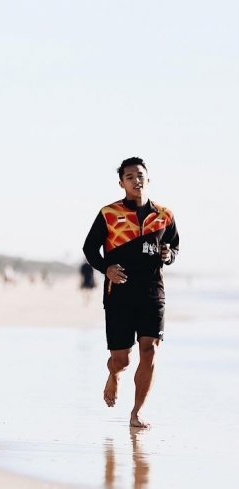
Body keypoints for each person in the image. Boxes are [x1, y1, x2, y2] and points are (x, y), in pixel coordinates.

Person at [83, 157, 179, 428]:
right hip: (120, 294)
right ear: (121, 183)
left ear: (148, 178)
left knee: (149, 350)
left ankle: (136, 412)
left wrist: (169, 255)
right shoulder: (109, 214)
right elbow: (90, 249)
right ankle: (114, 374)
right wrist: (106, 268)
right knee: (121, 359)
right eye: (130, 177)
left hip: (152, 293)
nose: (136, 180)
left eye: (140, 175)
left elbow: (174, 247)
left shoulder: (164, 215)